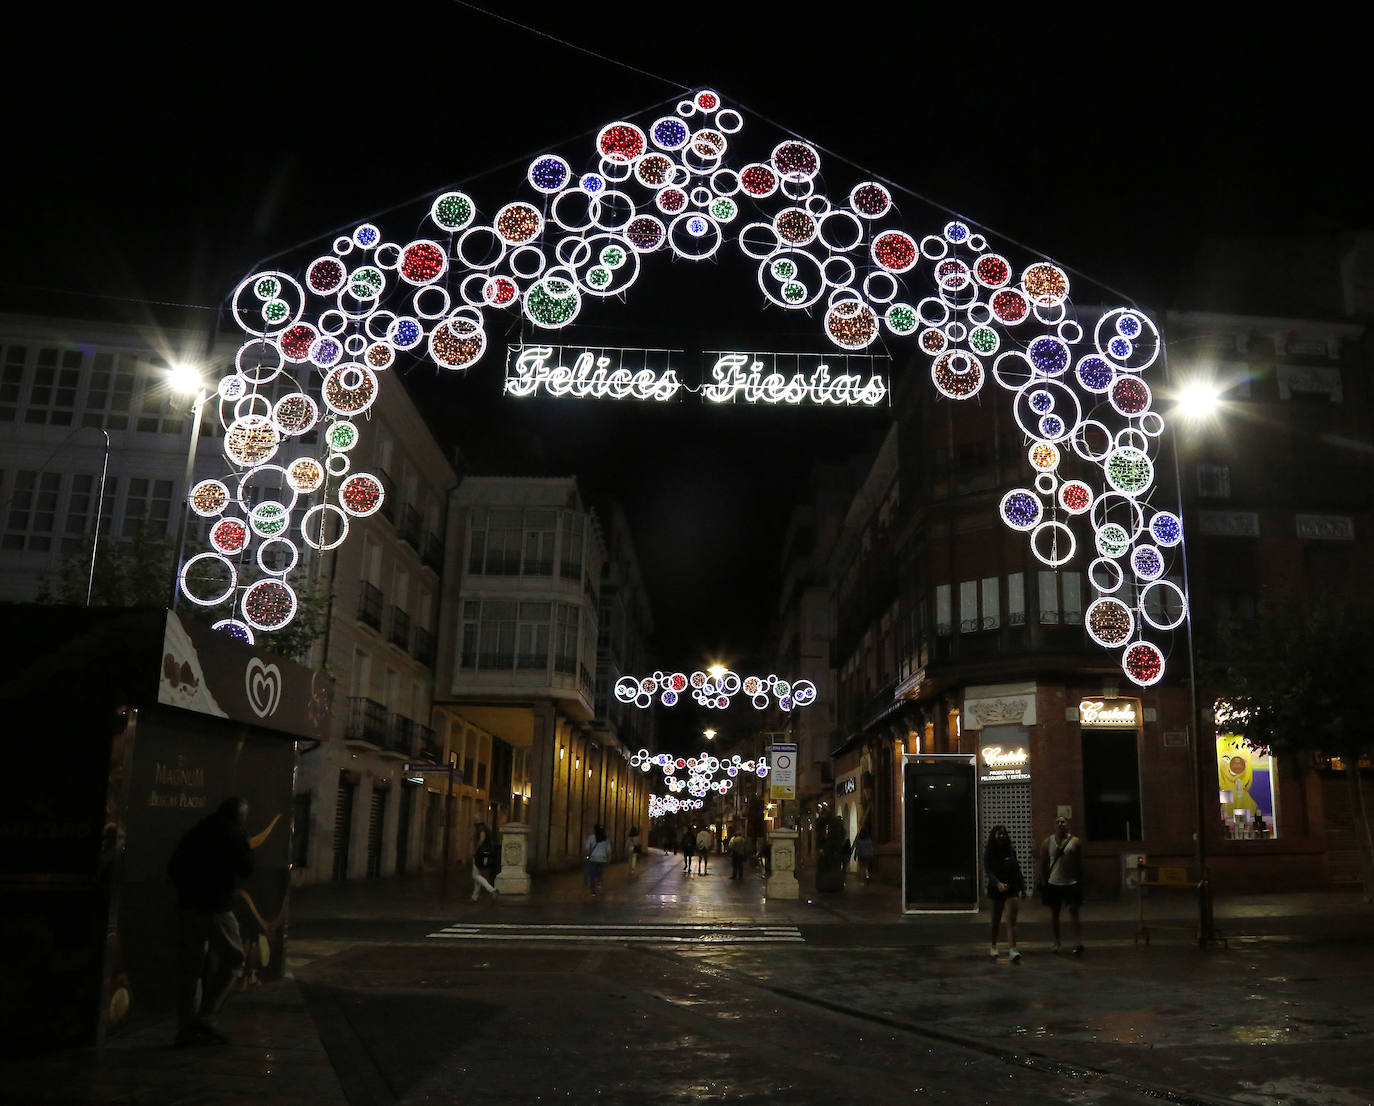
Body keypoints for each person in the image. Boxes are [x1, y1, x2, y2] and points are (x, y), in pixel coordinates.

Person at [166, 796, 253, 1046]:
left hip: (188, 907)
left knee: (190, 969)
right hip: (216, 908)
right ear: (238, 816)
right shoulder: (233, 835)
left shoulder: (197, 832)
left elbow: (174, 867)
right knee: (235, 959)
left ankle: (185, 1029)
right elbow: (247, 869)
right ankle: (206, 1018)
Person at [1038, 815, 1084, 955]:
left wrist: (1080, 881)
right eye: (1057, 822)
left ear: (1067, 824)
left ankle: (1077, 942)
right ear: (1054, 825)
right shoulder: (1047, 842)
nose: (1060, 824)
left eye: (1063, 822)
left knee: (1073, 911)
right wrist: (1045, 881)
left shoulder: (1075, 842)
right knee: (1055, 914)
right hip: (1054, 883)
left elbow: (1079, 863)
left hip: (1071, 883)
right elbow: (1043, 864)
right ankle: (1057, 941)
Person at [984, 825, 1025, 962]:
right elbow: (988, 870)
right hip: (996, 889)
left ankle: (1013, 949)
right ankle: (993, 946)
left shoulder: (1011, 850)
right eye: (999, 833)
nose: (1002, 836)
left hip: (1011, 888)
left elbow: (1017, 869)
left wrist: (1023, 887)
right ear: (994, 836)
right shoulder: (990, 852)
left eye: (1004, 833)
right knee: (995, 921)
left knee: (1011, 920)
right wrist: (998, 883)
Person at [472, 825, 500, 901]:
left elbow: (481, 839)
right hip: (482, 855)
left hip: (479, 855)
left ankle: (492, 890)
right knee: (477, 876)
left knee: (475, 875)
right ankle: (474, 897)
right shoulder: (485, 829)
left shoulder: (482, 829)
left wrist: (475, 849)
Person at [587, 824, 611, 894]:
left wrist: (587, 855)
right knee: (600, 872)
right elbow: (609, 851)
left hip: (593, 858)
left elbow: (587, 848)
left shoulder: (591, 837)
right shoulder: (606, 839)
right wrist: (608, 859)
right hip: (602, 859)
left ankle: (593, 889)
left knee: (592, 874)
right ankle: (599, 884)